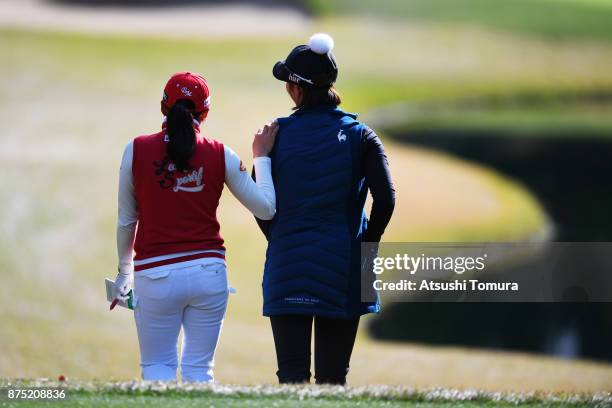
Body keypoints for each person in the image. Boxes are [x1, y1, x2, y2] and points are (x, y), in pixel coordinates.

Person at [114, 71, 278, 382]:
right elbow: (266, 209)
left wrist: (125, 273)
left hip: (155, 274)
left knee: (157, 368)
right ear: (205, 112)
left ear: (163, 107)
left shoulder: (135, 149)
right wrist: (262, 158)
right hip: (209, 273)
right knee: (199, 372)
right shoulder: (221, 153)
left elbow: (126, 219)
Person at [256, 34, 396, 385]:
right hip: (346, 267)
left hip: (287, 265)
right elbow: (387, 199)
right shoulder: (362, 135)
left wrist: (279, 236)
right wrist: (369, 244)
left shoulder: (272, 137)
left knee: (291, 378)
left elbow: (261, 202)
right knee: (333, 380)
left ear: (296, 90)